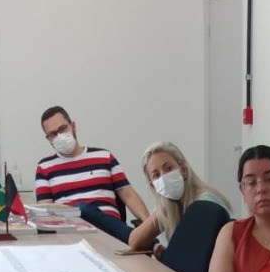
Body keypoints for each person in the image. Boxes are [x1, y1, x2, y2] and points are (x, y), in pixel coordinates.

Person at [33, 105, 149, 244]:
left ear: (73, 126)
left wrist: (149, 226)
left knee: (84, 209)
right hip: (72, 236)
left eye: (63, 129)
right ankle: (145, 242)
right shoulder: (44, 167)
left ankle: (144, 240)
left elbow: (129, 195)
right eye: (53, 134)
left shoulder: (104, 157)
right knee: (82, 210)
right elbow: (46, 213)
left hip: (111, 233)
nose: (59, 136)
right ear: (48, 138)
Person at [127, 140, 232, 255]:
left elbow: (192, 254)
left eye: (168, 168)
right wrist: (162, 211)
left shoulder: (206, 203)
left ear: (183, 170)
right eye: (156, 175)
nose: (164, 177)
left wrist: (164, 254)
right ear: (153, 186)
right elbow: (134, 241)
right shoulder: (170, 207)